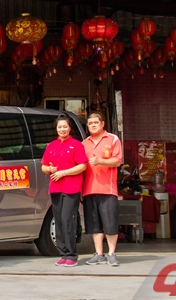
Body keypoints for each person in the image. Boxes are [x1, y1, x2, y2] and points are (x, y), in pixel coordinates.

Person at [41, 114, 88, 266]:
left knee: (68, 220)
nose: (62, 129)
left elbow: (83, 166)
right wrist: (49, 169)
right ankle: (63, 253)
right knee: (59, 220)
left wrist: (63, 172)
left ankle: (72, 255)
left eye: (65, 127)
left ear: (69, 128)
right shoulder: (51, 146)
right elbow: (43, 167)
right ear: (56, 129)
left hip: (71, 188)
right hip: (55, 188)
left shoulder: (76, 145)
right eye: (59, 127)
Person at [81, 112, 124, 267]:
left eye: (95, 122)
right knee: (94, 224)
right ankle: (98, 253)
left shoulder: (112, 139)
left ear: (102, 124)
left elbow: (117, 161)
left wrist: (100, 161)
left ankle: (111, 253)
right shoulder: (84, 143)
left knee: (110, 223)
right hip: (88, 189)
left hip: (108, 189)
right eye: (90, 123)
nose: (93, 125)